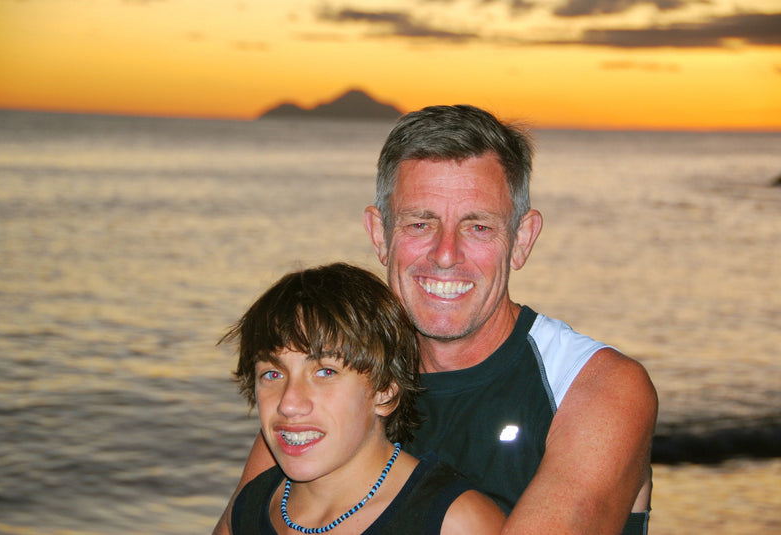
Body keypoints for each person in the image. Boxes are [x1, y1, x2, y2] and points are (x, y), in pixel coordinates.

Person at [214, 105, 657, 535]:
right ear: (379, 234)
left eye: (478, 227)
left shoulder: (596, 388)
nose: (446, 255)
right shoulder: (335, 380)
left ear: (521, 240)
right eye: (420, 224)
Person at [220, 262, 506, 534]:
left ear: (386, 390)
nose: (289, 403)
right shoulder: (250, 509)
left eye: (325, 372)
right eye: (272, 374)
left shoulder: (453, 522)